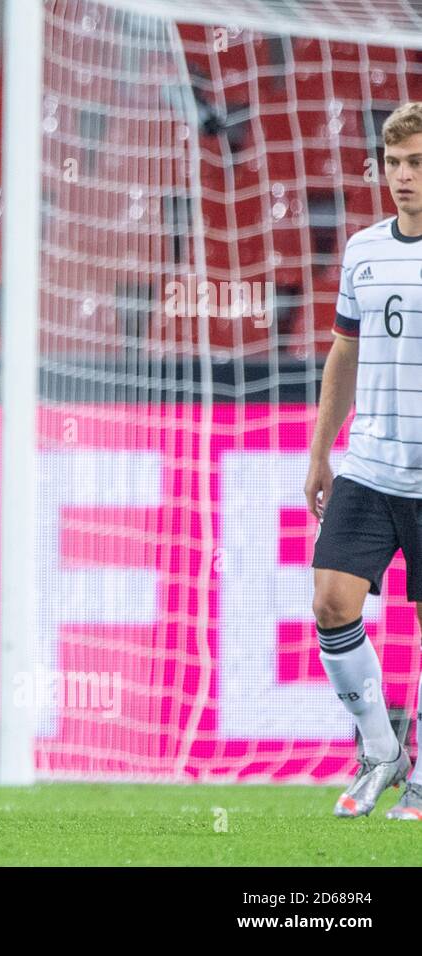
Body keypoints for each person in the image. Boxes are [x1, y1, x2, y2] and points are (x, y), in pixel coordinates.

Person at [306, 101, 422, 820]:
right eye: (395, 164)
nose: (403, 177)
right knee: (330, 602)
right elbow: (345, 351)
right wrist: (322, 449)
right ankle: (382, 750)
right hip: (370, 464)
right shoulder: (363, 250)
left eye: (416, 164)